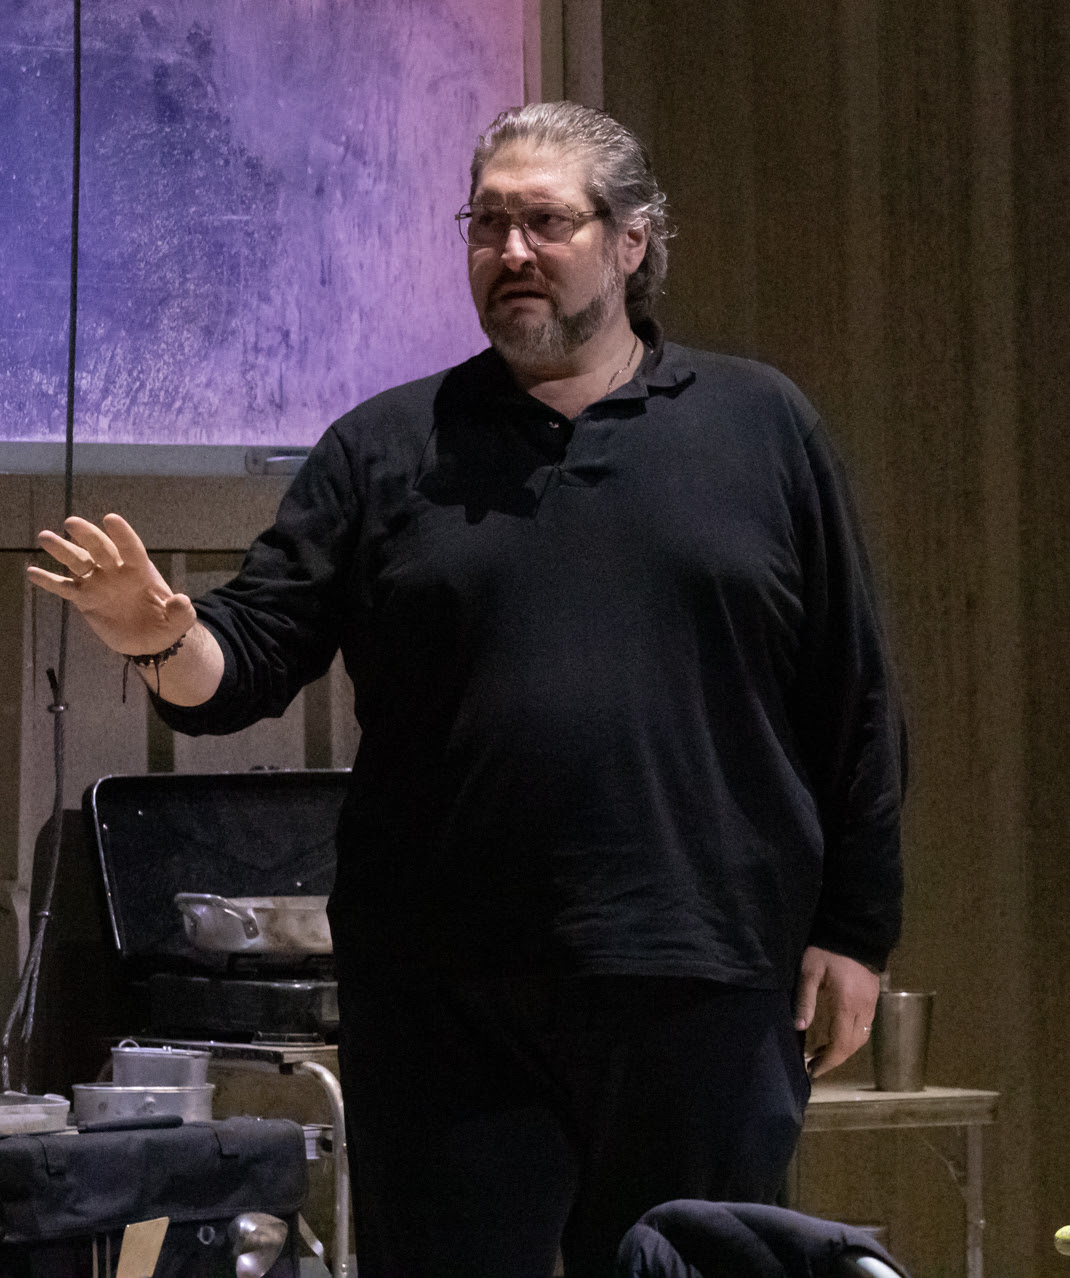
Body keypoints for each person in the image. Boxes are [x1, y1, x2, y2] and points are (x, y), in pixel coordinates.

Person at [28, 102, 905, 1278]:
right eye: (486, 225)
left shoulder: (760, 427)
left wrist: (854, 932)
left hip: (700, 969)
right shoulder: (388, 446)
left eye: (545, 222)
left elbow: (851, 697)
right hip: (443, 991)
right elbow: (244, 660)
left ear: (631, 241)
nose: (511, 252)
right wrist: (160, 638)